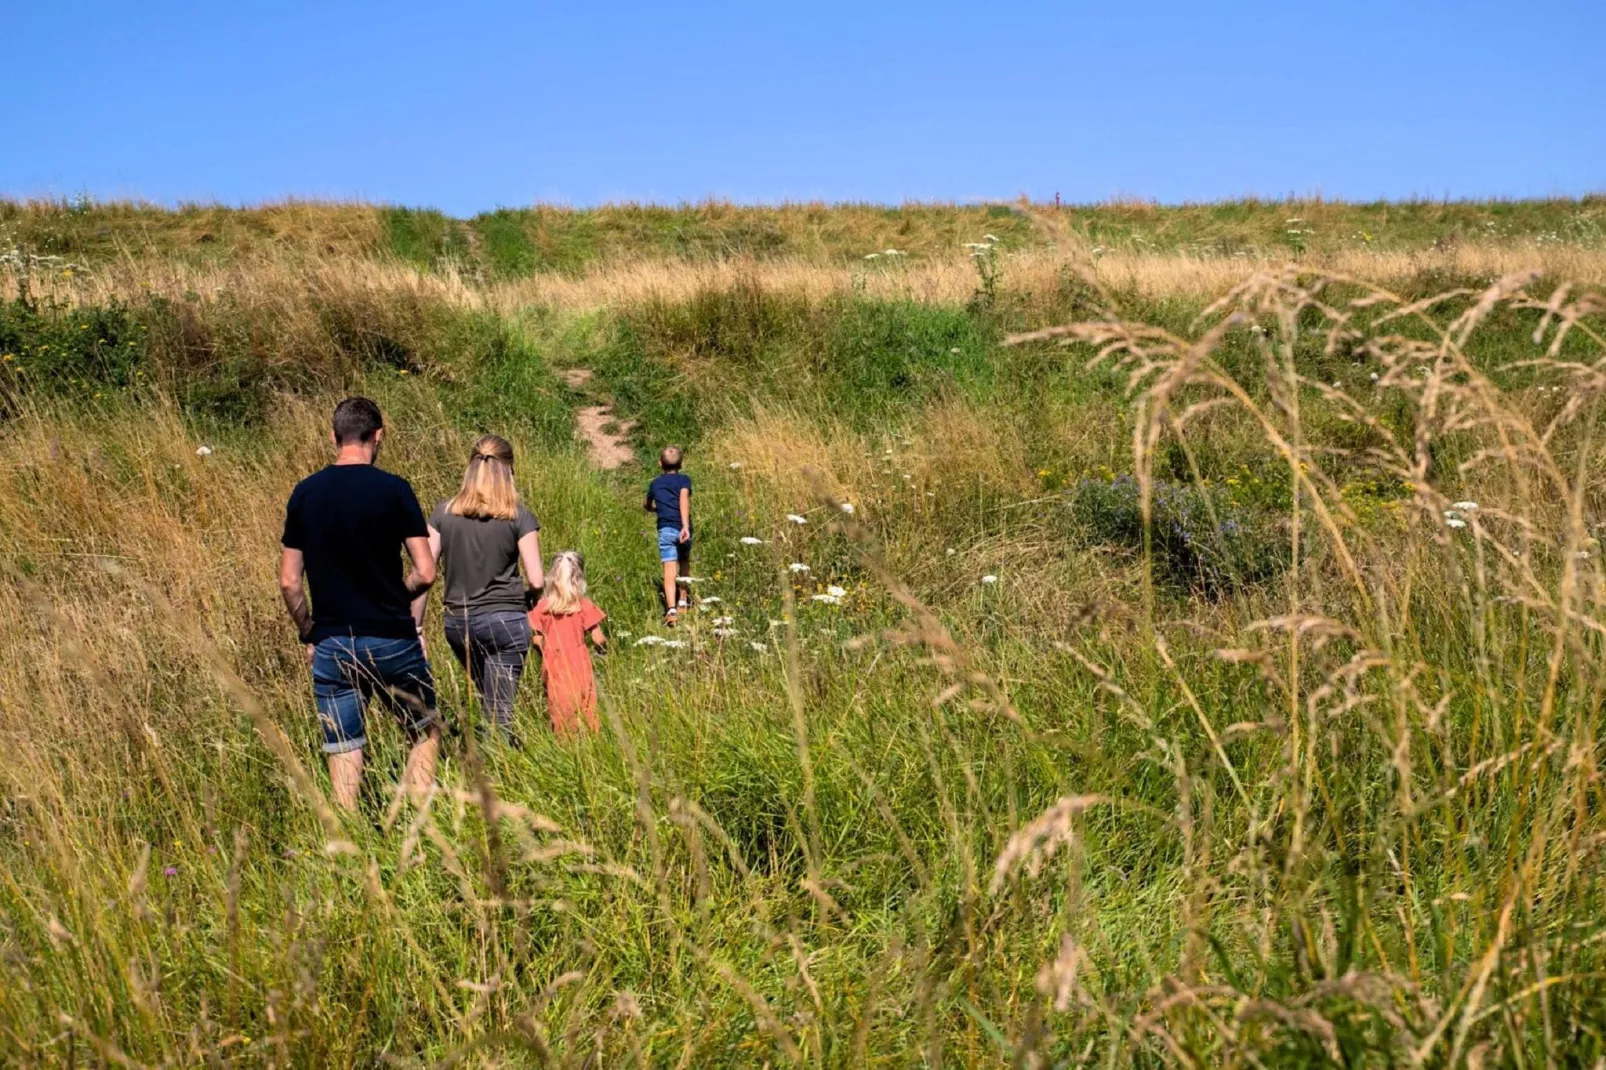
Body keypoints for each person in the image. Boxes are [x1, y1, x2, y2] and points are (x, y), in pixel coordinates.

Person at [278, 397, 440, 810]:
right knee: (422, 730)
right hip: (391, 637)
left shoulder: (305, 494)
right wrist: (393, 598)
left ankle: (349, 847)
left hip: (333, 643)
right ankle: (420, 827)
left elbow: (289, 582)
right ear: (378, 436)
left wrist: (309, 630)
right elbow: (425, 571)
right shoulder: (394, 489)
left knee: (344, 746)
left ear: (334, 437)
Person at [422, 435, 543, 741]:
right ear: (508, 470)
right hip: (505, 621)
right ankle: (499, 776)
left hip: (458, 623)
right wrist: (532, 600)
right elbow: (537, 580)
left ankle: (486, 757)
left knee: (487, 697)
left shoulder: (443, 512)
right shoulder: (518, 514)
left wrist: (417, 625)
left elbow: (425, 571)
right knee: (499, 711)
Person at [527, 551, 608, 733]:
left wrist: (546, 653)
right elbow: (598, 639)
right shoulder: (583, 605)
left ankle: (565, 748)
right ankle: (591, 747)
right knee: (587, 707)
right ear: (578, 579)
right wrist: (604, 649)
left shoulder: (542, 607)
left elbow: (536, 640)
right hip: (580, 664)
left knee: (560, 709)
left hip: (553, 664)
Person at [644, 445, 692, 626]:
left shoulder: (655, 483)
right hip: (682, 528)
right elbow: (684, 499)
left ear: (659, 463)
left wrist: (652, 508)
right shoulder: (684, 480)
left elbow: (647, 503)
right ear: (681, 464)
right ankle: (683, 599)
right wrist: (685, 526)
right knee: (685, 562)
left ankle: (671, 610)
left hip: (666, 530)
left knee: (669, 569)